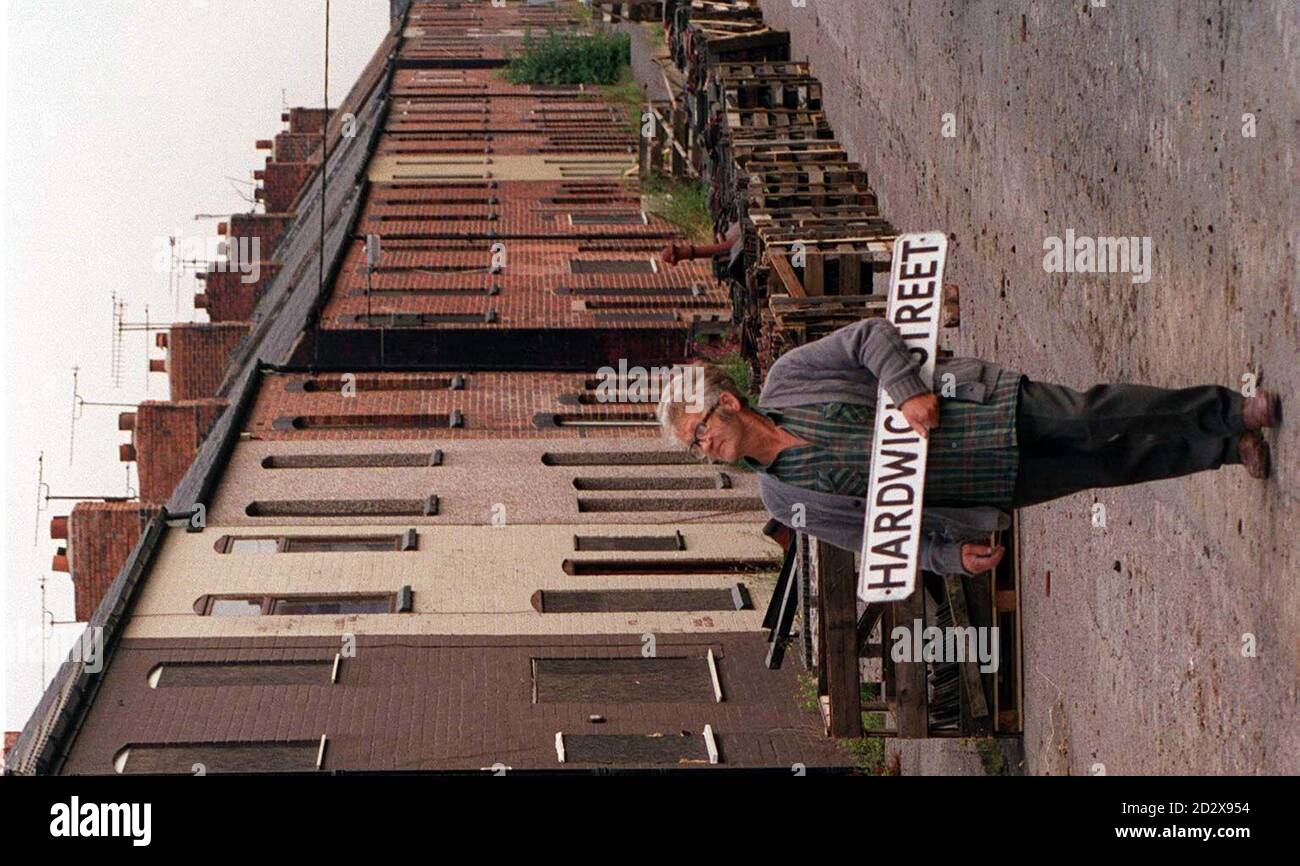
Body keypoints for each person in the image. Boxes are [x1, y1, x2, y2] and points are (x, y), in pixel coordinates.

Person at [656, 319, 1280, 575]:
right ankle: (1226, 449)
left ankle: (1229, 408)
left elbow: (869, 337)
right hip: (980, 486)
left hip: (981, 411)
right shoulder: (782, 496)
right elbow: (877, 537)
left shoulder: (791, 376)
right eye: (694, 446)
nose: (703, 446)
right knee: (1108, 466)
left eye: (699, 431)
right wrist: (950, 558)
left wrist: (903, 389)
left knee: (1096, 414)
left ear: (729, 402)